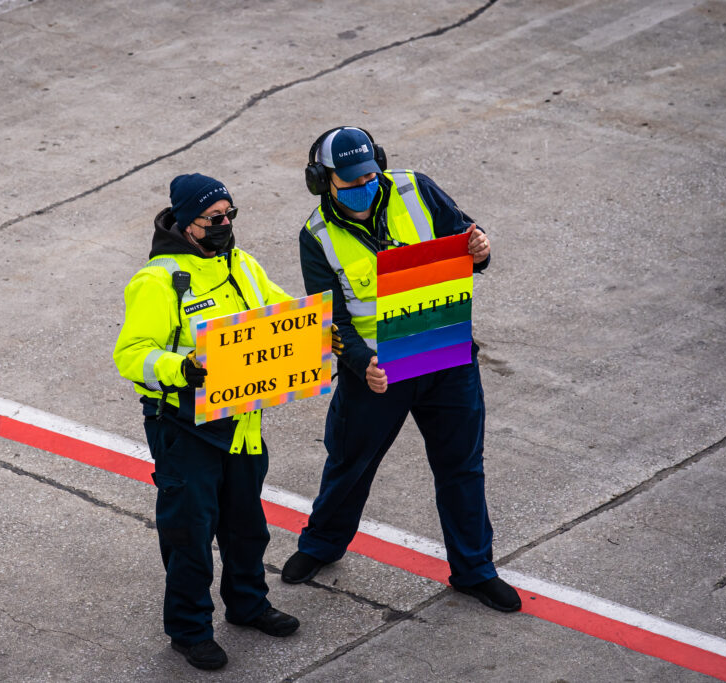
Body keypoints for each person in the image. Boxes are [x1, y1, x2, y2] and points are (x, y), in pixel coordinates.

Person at [281, 127, 521, 613]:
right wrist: (359, 361)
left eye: (370, 175)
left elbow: (468, 242)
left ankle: (475, 571)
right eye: (349, 181)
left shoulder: (416, 189)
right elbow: (332, 319)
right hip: (377, 373)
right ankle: (320, 547)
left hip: (444, 356)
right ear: (320, 180)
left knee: (461, 468)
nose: (363, 186)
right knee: (351, 464)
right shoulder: (317, 237)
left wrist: (482, 250)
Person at [113, 173, 300, 671]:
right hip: (183, 426)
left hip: (241, 423)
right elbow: (132, 355)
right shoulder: (157, 281)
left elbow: (285, 314)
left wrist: (323, 335)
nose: (224, 225)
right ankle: (190, 630)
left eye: (230, 215)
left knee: (246, 526)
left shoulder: (243, 265)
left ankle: (247, 605)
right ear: (185, 222)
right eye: (213, 218)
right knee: (189, 534)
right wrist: (183, 369)